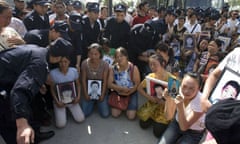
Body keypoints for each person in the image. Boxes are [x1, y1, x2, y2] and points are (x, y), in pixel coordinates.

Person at [0, 37, 73, 144]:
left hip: (7, 78)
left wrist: (38, 82)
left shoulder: (38, 50)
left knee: (31, 103)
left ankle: (35, 134)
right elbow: (19, 91)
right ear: (59, 58)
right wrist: (22, 124)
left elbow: (23, 68)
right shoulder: (40, 63)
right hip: (4, 87)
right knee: (8, 121)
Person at [157, 72, 205, 144]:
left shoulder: (201, 101)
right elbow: (168, 116)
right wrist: (168, 100)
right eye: (184, 86)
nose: (186, 91)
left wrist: (180, 106)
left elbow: (184, 127)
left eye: (191, 88)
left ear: (199, 88)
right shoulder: (175, 88)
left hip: (194, 132)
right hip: (177, 123)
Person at [137, 54, 172, 137]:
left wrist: (164, 102)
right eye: (150, 64)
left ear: (163, 64)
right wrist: (149, 97)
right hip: (152, 104)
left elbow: (175, 100)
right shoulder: (150, 76)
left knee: (157, 133)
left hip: (165, 109)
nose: (152, 67)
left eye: (155, 64)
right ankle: (153, 120)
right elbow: (139, 88)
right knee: (143, 124)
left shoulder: (173, 80)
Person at [50, 56, 85, 128]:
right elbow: (52, 89)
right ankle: (60, 109)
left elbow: (78, 85)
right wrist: (57, 101)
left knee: (80, 119)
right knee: (60, 125)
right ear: (58, 62)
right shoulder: (53, 73)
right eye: (61, 62)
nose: (63, 64)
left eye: (65, 61)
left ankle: (69, 109)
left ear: (69, 62)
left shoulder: (74, 71)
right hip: (60, 101)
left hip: (72, 99)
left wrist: (78, 97)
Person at [108, 47, 140, 119]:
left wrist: (128, 92)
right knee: (115, 114)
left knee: (131, 117)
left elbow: (137, 84)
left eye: (121, 56)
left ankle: (129, 106)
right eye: (117, 57)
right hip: (118, 92)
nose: (119, 58)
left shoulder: (133, 68)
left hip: (131, 92)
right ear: (115, 59)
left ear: (126, 57)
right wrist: (121, 89)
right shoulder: (113, 68)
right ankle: (123, 105)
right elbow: (109, 84)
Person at [81, 43, 110, 118]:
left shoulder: (105, 65)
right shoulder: (84, 63)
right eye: (91, 53)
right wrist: (86, 94)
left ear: (100, 54)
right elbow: (83, 80)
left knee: (105, 114)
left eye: (96, 54)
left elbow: (105, 80)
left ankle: (99, 101)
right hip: (88, 90)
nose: (93, 56)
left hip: (101, 91)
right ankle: (93, 102)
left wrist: (102, 94)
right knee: (84, 113)